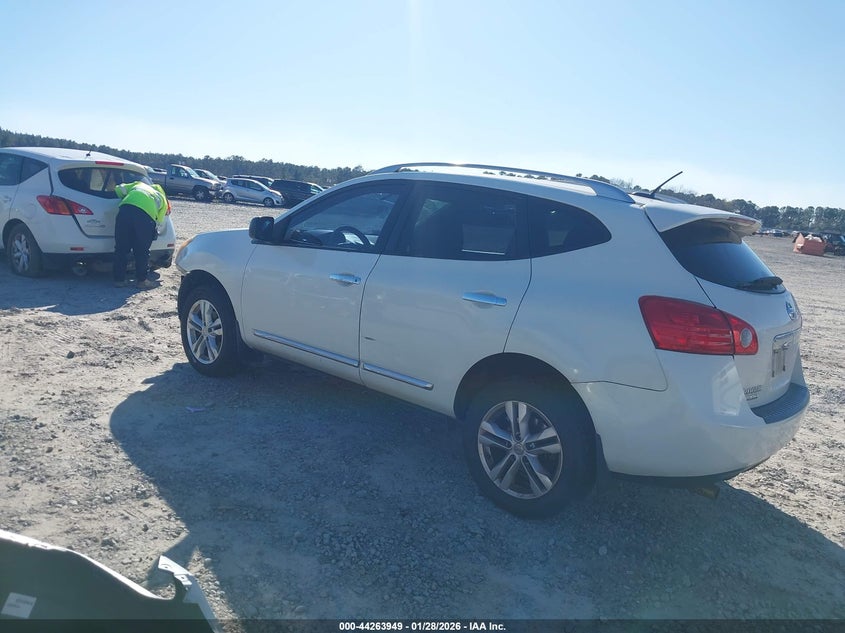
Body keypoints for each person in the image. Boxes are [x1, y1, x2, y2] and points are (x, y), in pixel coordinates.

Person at [113, 178, 169, 288]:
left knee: (121, 248)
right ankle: (142, 281)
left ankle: (119, 280)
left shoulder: (138, 185)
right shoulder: (162, 199)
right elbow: (159, 220)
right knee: (142, 250)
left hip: (125, 211)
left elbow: (118, 189)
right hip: (145, 217)